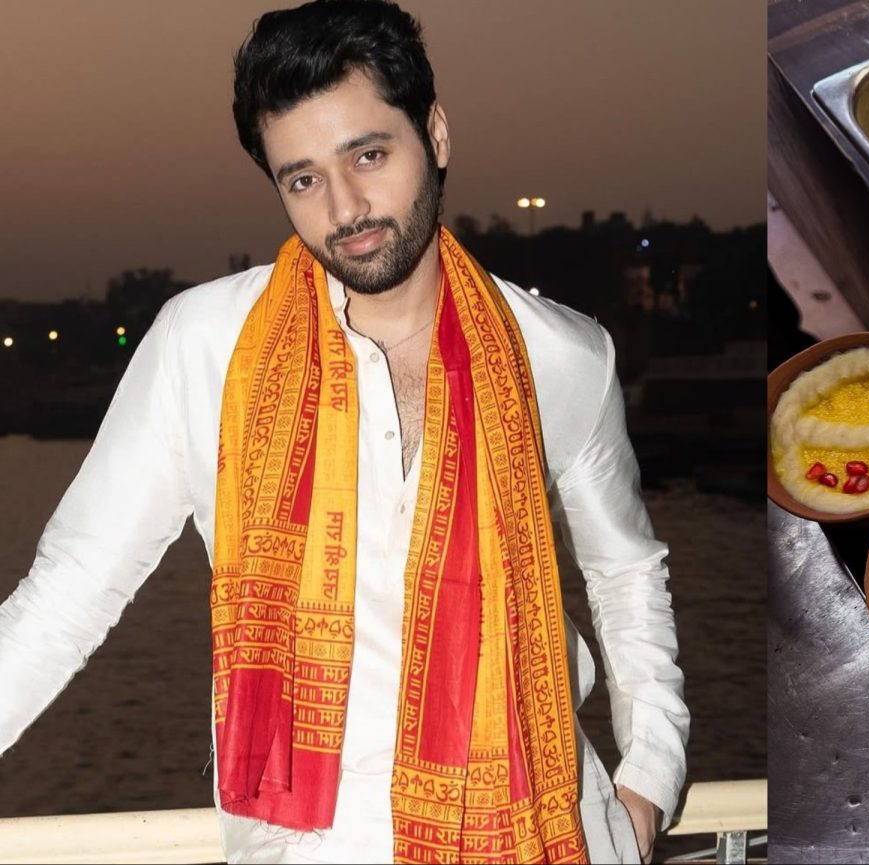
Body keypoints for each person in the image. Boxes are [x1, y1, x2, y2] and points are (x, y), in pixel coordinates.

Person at [0, 2, 688, 862]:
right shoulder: (206, 346)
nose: (347, 205)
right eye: (303, 178)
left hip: (548, 826)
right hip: (315, 843)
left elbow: (625, 574)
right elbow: (69, 593)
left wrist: (649, 779)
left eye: (369, 154)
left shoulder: (564, 355)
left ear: (433, 134)